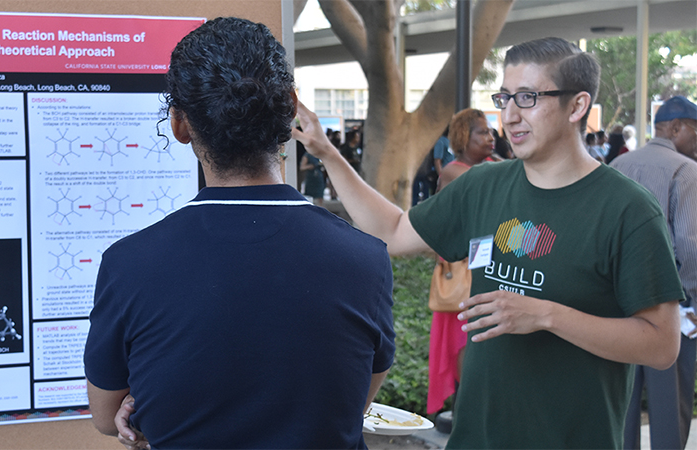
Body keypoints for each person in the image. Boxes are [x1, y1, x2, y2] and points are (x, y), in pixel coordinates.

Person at [293, 36, 682, 449]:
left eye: (528, 98)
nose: (510, 116)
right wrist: (327, 153)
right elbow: (391, 232)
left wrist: (548, 315)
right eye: (504, 97)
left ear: (578, 106)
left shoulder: (629, 210)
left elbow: (661, 344)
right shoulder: (482, 185)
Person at [84, 17, 395, 449]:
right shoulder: (366, 260)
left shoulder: (129, 263)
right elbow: (352, 400)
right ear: (290, 108)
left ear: (180, 124)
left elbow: (105, 416)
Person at [611, 95, 697, 450]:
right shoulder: (686, 170)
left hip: (617, 306)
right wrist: (689, 302)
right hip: (670, 309)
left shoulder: (617, 165)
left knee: (621, 403)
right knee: (668, 411)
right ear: (676, 128)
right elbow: (690, 247)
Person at [427, 109, 495, 415]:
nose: (491, 137)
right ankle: (466, 419)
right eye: (482, 132)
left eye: (491, 131)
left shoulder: (493, 167)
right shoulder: (455, 172)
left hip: (485, 267)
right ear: (464, 137)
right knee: (465, 350)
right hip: (462, 271)